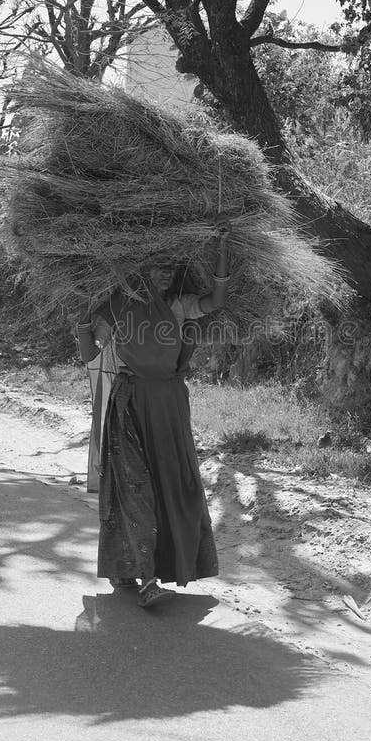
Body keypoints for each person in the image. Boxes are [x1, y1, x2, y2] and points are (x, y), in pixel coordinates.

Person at [76, 225, 230, 608]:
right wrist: (81, 319)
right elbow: (89, 352)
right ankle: (147, 579)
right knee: (135, 485)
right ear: (141, 271)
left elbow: (216, 300)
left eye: (170, 269)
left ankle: (142, 566)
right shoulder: (116, 306)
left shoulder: (177, 306)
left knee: (173, 484)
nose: (166, 275)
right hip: (130, 405)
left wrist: (223, 250)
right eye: (158, 268)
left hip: (170, 405)